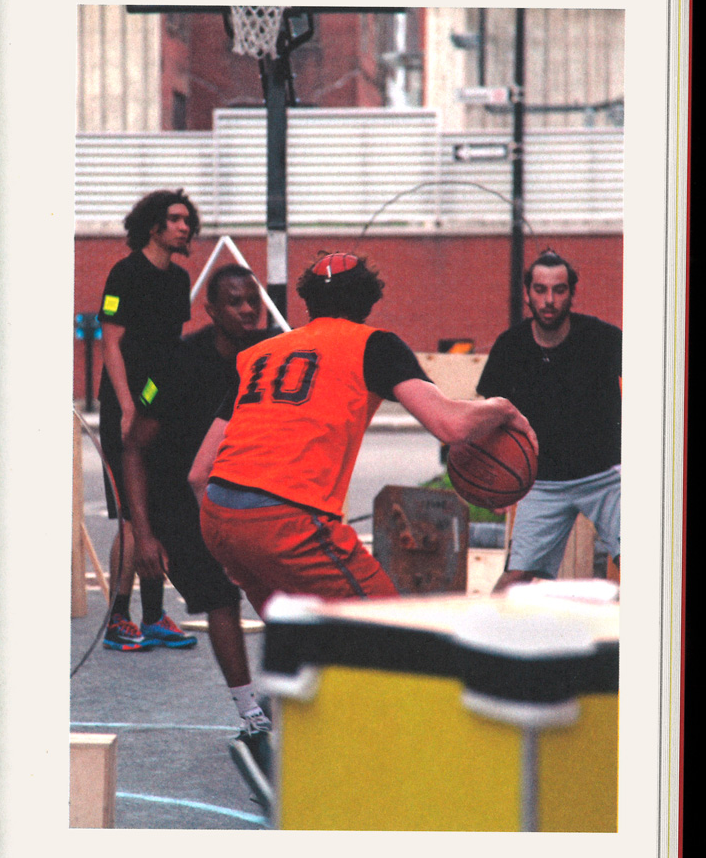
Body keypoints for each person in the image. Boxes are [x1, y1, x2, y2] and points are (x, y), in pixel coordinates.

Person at [192, 252, 537, 620]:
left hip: (218, 517)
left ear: (308, 301)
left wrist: (228, 545)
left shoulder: (259, 355)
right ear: (369, 301)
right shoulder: (374, 345)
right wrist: (503, 408)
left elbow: (199, 474)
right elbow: (450, 425)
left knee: (301, 636)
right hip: (287, 519)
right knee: (388, 628)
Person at [119, 264, 278, 740]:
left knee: (283, 595)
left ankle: (288, 695)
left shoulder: (271, 354)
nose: (247, 310)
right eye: (235, 301)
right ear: (210, 310)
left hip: (246, 494)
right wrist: (144, 534)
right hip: (180, 503)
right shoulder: (176, 362)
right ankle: (250, 714)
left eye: (253, 300)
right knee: (220, 598)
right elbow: (133, 448)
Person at [476, 250, 622, 592]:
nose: (549, 300)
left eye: (559, 290)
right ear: (527, 293)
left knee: (648, 563)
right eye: (540, 290)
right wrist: (495, 480)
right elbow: (490, 417)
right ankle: (485, 626)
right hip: (542, 483)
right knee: (514, 579)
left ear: (572, 293)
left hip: (606, 477)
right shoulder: (510, 347)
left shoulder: (603, 339)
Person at [95, 189, 201, 651]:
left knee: (156, 512)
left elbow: (171, 350)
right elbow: (111, 344)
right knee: (130, 516)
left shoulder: (179, 280)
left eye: (188, 221)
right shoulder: (125, 273)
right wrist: (127, 408)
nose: (184, 227)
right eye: (175, 219)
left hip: (160, 405)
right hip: (125, 406)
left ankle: (154, 616)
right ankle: (118, 618)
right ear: (153, 225)